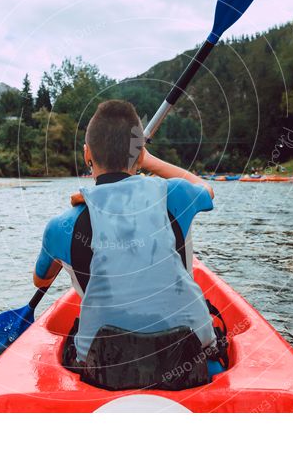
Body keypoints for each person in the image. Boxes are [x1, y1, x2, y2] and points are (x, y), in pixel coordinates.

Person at [33, 100, 224, 389]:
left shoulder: (60, 226)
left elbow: (40, 280)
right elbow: (207, 189)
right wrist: (149, 161)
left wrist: (65, 253)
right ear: (139, 153)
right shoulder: (175, 194)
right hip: (191, 364)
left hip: (104, 372)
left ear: (87, 153)